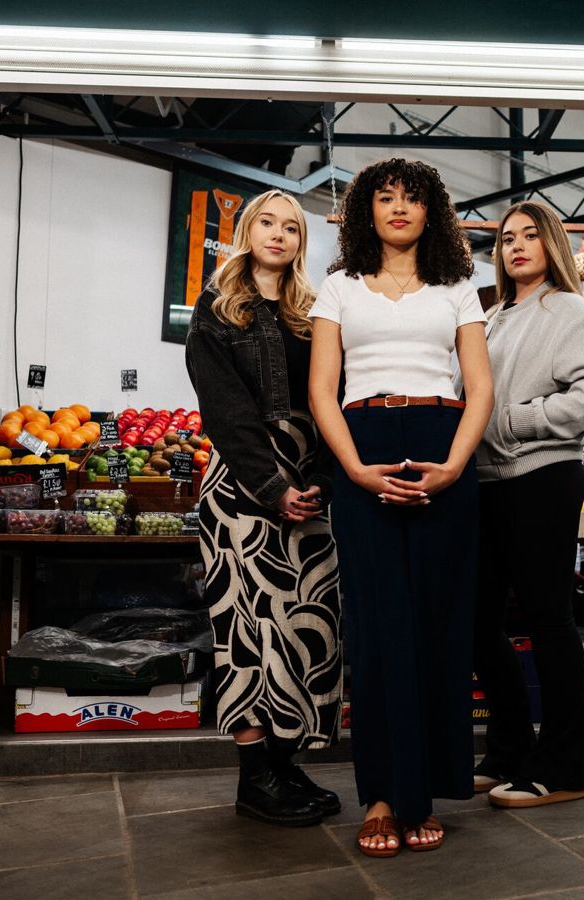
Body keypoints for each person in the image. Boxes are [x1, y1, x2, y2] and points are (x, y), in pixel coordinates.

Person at [308, 158, 494, 857]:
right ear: (366, 211)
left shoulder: (457, 287)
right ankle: (383, 796)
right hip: (365, 447)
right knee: (380, 629)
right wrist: (353, 468)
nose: (396, 209)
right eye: (384, 198)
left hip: (443, 444)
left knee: (438, 625)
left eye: (411, 200)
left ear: (431, 213)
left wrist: (452, 467)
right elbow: (324, 390)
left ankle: (425, 792)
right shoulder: (338, 287)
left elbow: (479, 388)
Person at [185, 189, 342, 828]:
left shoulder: (315, 312)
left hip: (314, 484)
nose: (279, 235)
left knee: (308, 628)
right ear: (246, 232)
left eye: (291, 228)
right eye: (266, 224)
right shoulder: (215, 311)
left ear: (302, 242)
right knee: (248, 631)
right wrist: (272, 487)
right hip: (242, 491)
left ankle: (284, 759)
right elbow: (224, 411)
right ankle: (255, 778)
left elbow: (336, 393)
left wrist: (326, 479)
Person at [461, 201, 584, 808]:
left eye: (530, 235)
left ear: (552, 243)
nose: (517, 246)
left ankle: (563, 769)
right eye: (506, 238)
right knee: (479, 621)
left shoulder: (568, 308)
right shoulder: (492, 314)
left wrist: (512, 422)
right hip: (485, 481)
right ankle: (507, 750)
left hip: (542, 475)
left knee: (549, 619)